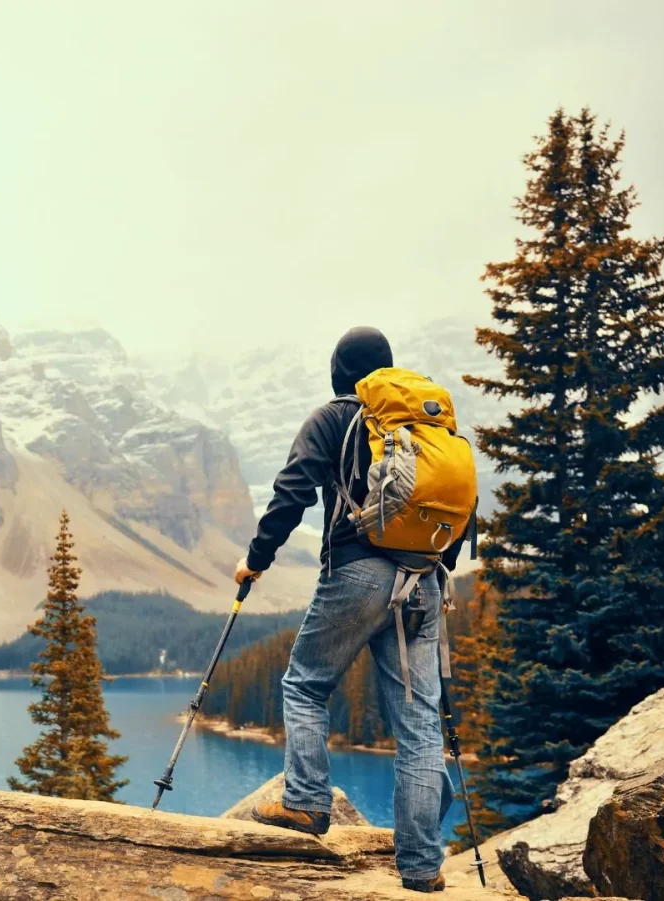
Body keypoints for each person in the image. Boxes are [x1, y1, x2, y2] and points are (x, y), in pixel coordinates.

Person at [235, 326, 466, 895]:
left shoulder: (335, 417)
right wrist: (437, 564)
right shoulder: (425, 425)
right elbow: (460, 508)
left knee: (306, 684)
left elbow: (292, 492)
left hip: (358, 571)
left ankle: (308, 804)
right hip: (425, 578)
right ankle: (420, 868)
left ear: (339, 371)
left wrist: (256, 560)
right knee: (416, 725)